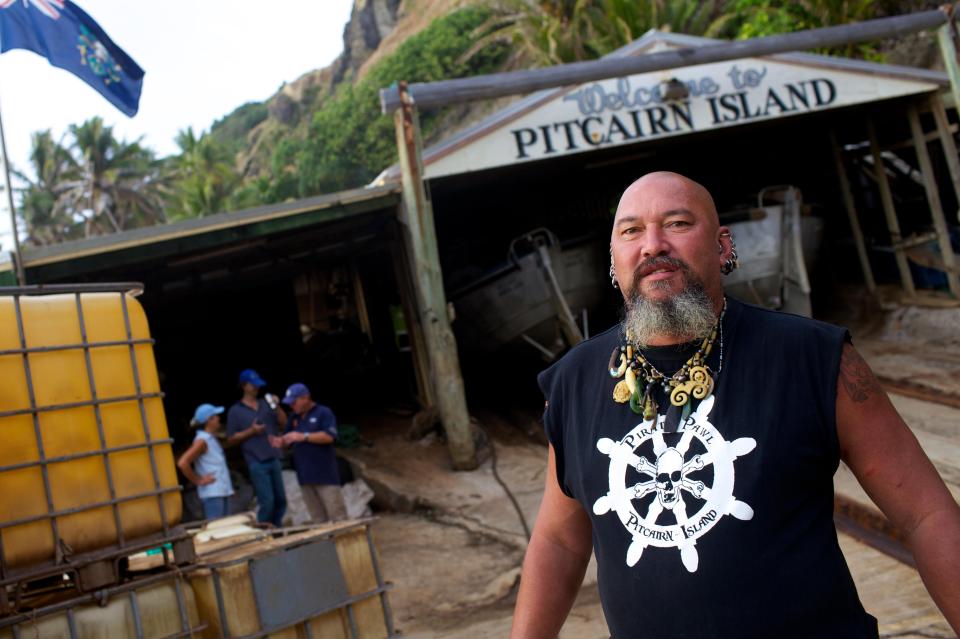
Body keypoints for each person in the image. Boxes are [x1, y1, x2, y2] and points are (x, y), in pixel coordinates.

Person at [510, 172, 960, 638]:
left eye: (678, 223)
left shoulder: (814, 359)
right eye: (631, 231)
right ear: (613, 261)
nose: (653, 245)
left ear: (723, 246)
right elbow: (559, 540)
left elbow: (926, 516)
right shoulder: (572, 382)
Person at [277, 382, 347, 523]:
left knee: (337, 517)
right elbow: (288, 440)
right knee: (317, 520)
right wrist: (281, 442)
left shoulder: (323, 412)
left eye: (294, 402)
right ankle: (326, 544)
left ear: (305, 398)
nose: (292, 406)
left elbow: (329, 436)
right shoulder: (294, 418)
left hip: (325, 475)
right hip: (305, 477)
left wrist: (304, 436)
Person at [226, 368, 288, 527]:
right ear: (244, 386)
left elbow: (284, 423)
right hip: (256, 461)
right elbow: (231, 439)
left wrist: (276, 406)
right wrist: (251, 431)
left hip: (273, 456)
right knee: (267, 501)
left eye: (257, 385)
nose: (256, 388)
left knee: (281, 499)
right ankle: (264, 532)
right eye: (253, 385)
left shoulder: (265, 404)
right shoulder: (235, 411)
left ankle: (277, 531)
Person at [177, 403, 234, 520]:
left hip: (220, 491)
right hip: (213, 493)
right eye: (215, 416)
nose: (218, 418)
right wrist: (198, 480)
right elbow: (183, 463)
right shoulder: (202, 441)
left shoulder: (209, 438)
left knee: (225, 527)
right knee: (217, 528)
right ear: (209, 420)